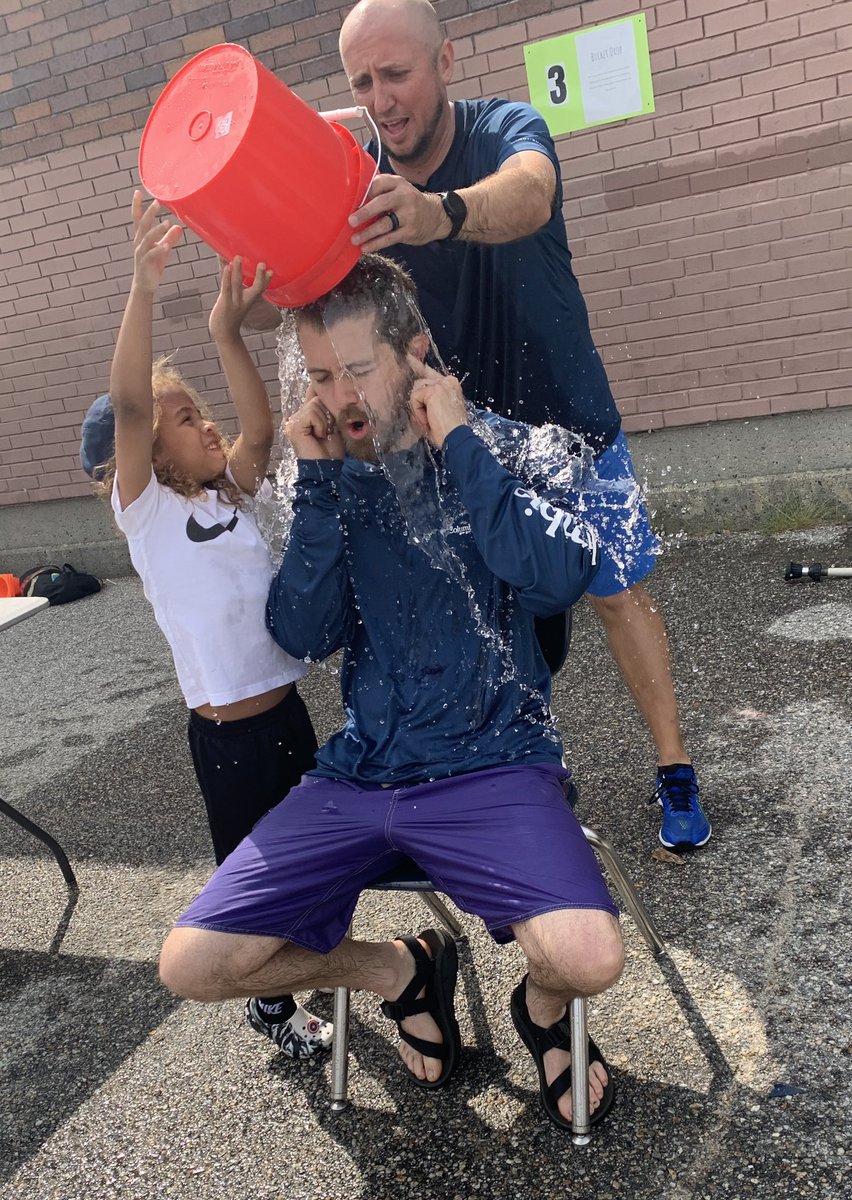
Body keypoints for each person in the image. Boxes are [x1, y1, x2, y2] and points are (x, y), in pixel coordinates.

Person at [158, 253, 625, 1131]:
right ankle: (400, 970)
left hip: (494, 762)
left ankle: (545, 1011)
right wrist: (324, 485)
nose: (337, 399)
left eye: (358, 371)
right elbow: (302, 631)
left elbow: (564, 574)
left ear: (416, 352)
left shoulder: (503, 444)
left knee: (589, 959)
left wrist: (460, 443)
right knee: (192, 965)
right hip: (362, 774)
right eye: (322, 375)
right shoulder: (338, 477)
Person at [326, 0, 710, 851]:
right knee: (495, 620)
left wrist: (437, 213)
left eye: (398, 73)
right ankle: (525, 776)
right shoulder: (351, 171)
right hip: (462, 439)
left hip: (569, 426)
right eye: (363, 82)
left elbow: (530, 194)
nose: (383, 99)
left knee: (615, 594)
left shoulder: (506, 128)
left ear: (447, 62)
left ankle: (674, 769)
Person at [80, 191, 332, 1060]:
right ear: (145, 454)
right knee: (251, 887)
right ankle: (272, 1001)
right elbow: (132, 404)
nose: (205, 422)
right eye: (186, 419)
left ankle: (310, 970)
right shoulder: (144, 515)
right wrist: (144, 291)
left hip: (288, 720)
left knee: (315, 878)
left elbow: (260, 429)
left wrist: (229, 333)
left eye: (198, 409)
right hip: (224, 740)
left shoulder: (232, 497)